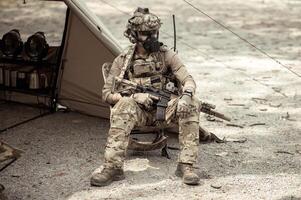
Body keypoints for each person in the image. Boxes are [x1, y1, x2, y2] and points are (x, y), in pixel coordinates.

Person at [91, 7, 201, 186]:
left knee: (193, 102)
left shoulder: (166, 55)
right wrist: (134, 97)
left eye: (155, 32)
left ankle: (186, 165)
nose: (152, 38)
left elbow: (188, 79)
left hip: (166, 109)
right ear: (134, 35)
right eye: (145, 34)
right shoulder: (123, 60)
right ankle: (113, 167)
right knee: (124, 104)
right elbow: (106, 93)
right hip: (138, 112)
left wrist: (187, 96)